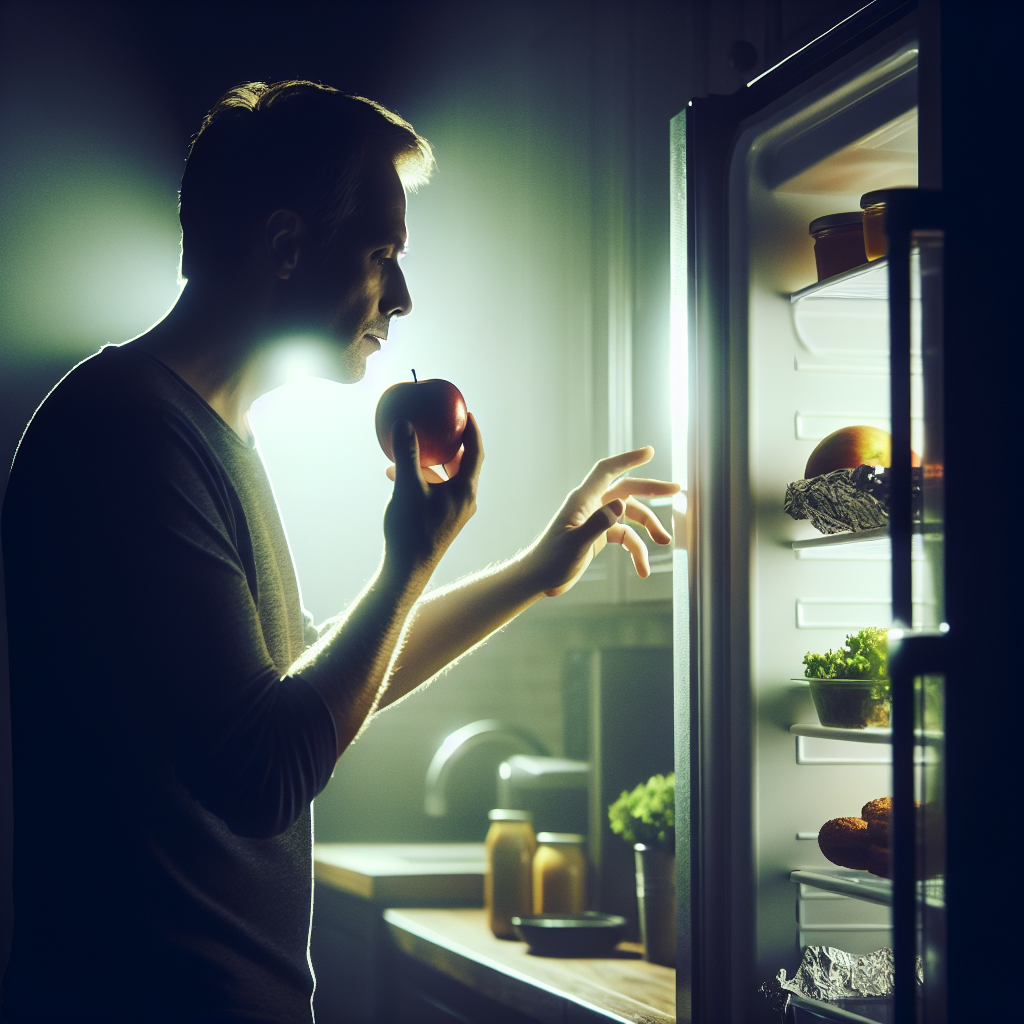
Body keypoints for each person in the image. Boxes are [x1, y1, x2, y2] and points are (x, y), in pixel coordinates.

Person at [1, 81, 678, 1023]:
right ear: (286, 245)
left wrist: (532, 571)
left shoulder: (208, 432)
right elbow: (270, 764)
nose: (400, 296)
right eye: (382, 252)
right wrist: (408, 562)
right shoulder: (129, 435)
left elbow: (304, 673)